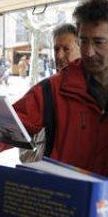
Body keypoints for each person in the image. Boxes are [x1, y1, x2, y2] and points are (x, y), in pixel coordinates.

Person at [0, 0, 108, 177]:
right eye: (83, 41)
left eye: (99, 42)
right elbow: (7, 133)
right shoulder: (52, 89)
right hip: (63, 196)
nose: (89, 52)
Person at [19, 23, 81, 163]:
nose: (59, 55)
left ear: (81, 49)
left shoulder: (85, 95)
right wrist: (33, 162)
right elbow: (22, 132)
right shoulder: (46, 90)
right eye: (56, 49)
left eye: (66, 49)